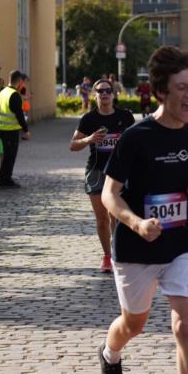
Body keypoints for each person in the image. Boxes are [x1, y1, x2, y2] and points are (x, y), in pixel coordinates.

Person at [98, 47, 188, 374]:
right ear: (162, 92)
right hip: (136, 248)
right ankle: (110, 354)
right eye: (182, 88)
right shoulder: (135, 137)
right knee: (134, 323)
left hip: (181, 243)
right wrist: (137, 223)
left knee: (184, 326)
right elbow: (110, 194)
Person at [70, 78, 135, 272]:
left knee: (116, 215)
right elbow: (73, 145)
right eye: (100, 91)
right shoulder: (89, 119)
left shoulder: (125, 117)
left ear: (114, 94)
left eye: (108, 90)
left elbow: (137, 143)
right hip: (97, 171)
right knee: (102, 218)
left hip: (119, 172)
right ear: (95, 94)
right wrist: (90, 139)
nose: (104, 94)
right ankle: (107, 256)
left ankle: (118, 252)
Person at [0, 70, 29, 188]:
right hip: (11, 130)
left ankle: (3, 178)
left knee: (6, 155)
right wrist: (26, 130)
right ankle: (4, 179)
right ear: (19, 81)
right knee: (10, 156)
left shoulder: (3, 92)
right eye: (23, 82)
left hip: (1, 129)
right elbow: (19, 114)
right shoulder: (15, 95)